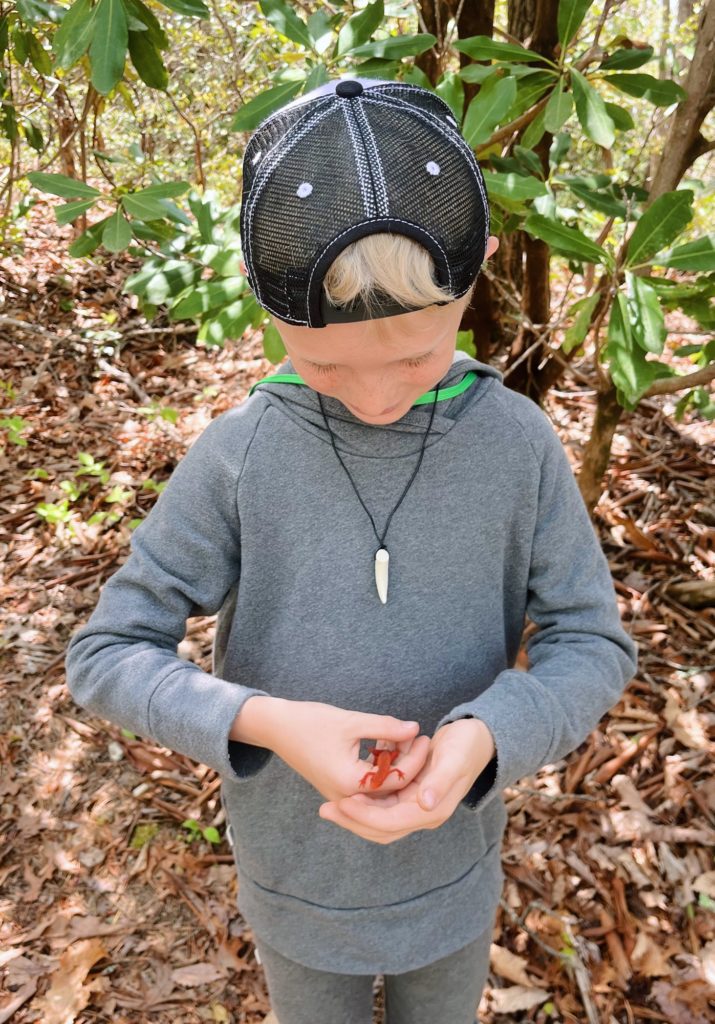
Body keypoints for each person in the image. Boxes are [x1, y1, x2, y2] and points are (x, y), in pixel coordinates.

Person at [64, 77, 639, 1024]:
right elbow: (106, 653)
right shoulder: (241, 455)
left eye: (414, 359)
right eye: (324, 365)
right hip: (295, 881)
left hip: (453, 870)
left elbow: (592, 642)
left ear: (479, 272)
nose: (374, 396)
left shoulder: (516, 444)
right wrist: (270, 724)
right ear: (263, 306)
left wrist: (486, 737)